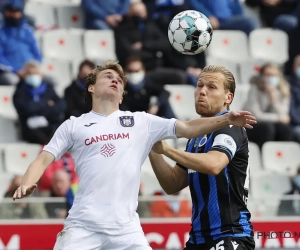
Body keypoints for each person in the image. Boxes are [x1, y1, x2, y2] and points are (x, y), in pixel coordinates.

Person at [12, 60, 256, 250]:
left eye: (119, 79)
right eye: (107, 76)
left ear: (123, 94)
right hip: (83, 224)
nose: (202, 91)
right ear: (91, 87)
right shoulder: (74, 125)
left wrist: (225, 118)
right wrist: (26, 181)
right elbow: (172, 183)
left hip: (137, 229)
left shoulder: (142, 121)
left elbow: (203, 150)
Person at [149, 65, 255, 250]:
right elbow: (172, 183)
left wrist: (167, 150)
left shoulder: (230, 126)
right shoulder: (195, 136)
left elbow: (214, 165)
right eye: (199, 86)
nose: (202, 92)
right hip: (197, 240)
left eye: (211, 87)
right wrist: (151, 145)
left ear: (228, 98)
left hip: (230, 236)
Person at [243, 62, 293, 149]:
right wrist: (277, 118)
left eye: (274, 75)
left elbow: (283, 114)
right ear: (262, 76)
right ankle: (263, 155)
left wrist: (273, 97)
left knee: (285, 129)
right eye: (268, 75)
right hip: (252, 124)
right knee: (267, 128)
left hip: (271, 124)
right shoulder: (255, 88)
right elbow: (255, 115)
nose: (271, 78)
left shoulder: (283, 90)